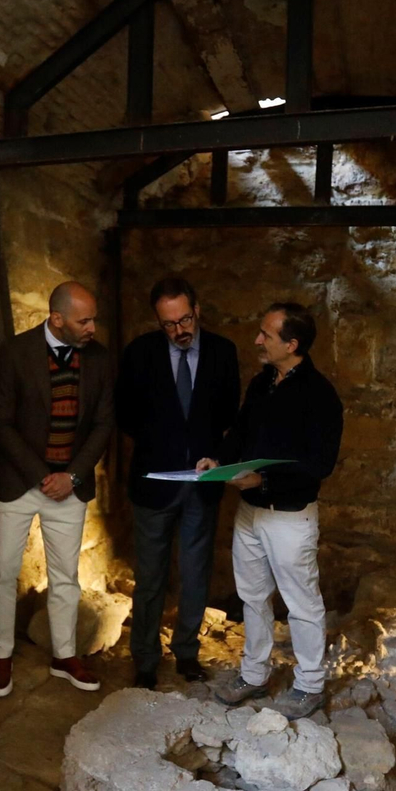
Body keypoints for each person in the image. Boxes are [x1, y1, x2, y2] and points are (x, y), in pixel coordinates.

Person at [200, 302, 343, 720]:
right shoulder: (264, 383)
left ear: (292, 344)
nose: (258, 341)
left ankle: (311, 684)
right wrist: (218, 460)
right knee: (252, 596)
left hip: (289, 517)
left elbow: (320, 465)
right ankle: (254, 674)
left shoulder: (320, 396)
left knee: (301, 603)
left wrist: (264, 481)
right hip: (251, 513)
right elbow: (241, 433)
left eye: (267, 335)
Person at [0, 281, 114, 697]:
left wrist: (71, 476)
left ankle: (64, 655)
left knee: (66, 577)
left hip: (69, 486)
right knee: (3, 572)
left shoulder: (100, 359)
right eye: (84, 320)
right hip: (19, 482)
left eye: (93, 318)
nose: (92, 327)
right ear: (56, 319)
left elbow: (102, 425)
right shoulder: (16, 352)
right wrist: (42, 474)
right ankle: (0, 656)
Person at [116, 278, 240, 689]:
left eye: (184, 319)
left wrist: (209, 456)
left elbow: (228, 414)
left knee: (195, 571)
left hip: (202, 483)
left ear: (197, 310)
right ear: (158, 321)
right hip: (154, 482)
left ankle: (186, 653)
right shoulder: (139, 353)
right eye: (169, 324)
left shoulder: (223, 353)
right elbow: (125, 415)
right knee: (150, 575)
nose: (179, 330)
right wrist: (162, 447)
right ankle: (146, 659)